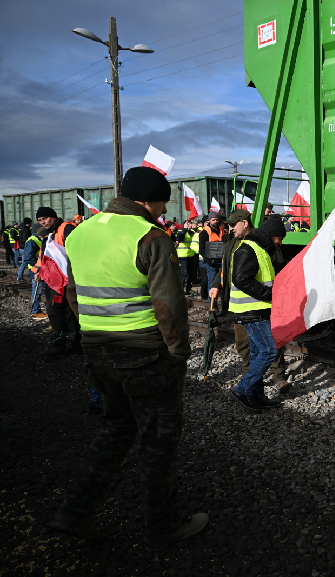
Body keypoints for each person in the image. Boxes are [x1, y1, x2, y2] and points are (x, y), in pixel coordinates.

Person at [50, 165, 207, 549]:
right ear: (148, 200)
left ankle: (74, 513)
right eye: (160, 204)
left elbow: (72, 292)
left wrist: (93, 334)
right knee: (158, 440)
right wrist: (179, 353)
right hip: (145, 356)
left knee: (115, 429)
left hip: (98, 353)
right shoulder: (150, 236)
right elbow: (169, 306)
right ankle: (162, 526)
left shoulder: (81, 232)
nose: (161, 212)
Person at [209, 210, 288, 390]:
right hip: (243, 305)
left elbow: (276, 266)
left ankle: (278, 376)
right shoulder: (231, 242)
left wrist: (274, 294)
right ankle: (251, 381)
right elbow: (226, 268)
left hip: (259, 304)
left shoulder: (262, 242)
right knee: (245, 344)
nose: (229, 228)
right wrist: (216, 284)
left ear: (245, 223)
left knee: (269, 344)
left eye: (232, 224)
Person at [35, 208, 81, 356]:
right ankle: (74, 341)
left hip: (65, 278)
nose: (43, 222)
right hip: (55, 278)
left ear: (53, 217)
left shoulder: (66, 228)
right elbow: (44, 256)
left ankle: (60, 342)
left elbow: (77, 250)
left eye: (45, 218)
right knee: (65, 309)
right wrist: (39, 271)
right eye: (40, 220)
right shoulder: (49, 233)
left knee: (57, 309)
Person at [21, 226, 48, 320]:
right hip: (36, 270)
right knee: (37, 291)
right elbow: (28, 257)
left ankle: (36, 309)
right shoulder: (32, 241)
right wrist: (38, 269)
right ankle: (35, 311)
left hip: (39, 269)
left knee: (38, 291)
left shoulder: (36, 239)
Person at [198, 212, 224, 297]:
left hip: (221, 261)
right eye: (213, 220)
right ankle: (213, 307)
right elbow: (202, 250)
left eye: (217, 219)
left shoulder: (222, 230)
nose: (216, 221)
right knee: (212, 284)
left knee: (222, 283)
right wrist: (209, 260)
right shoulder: (204, 232)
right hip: (211, 263)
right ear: (209, 220)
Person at [175, 221, 198, 296]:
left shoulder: (192, 232)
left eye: (190, 223)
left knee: (190, 274)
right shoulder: (180, 231)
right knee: (184, 273)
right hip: (183, 255)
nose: (190, 225)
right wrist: (184, 229)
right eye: (188, 223)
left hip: (191, 255)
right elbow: (180, 238)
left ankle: (188, 289)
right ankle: (181, 290)